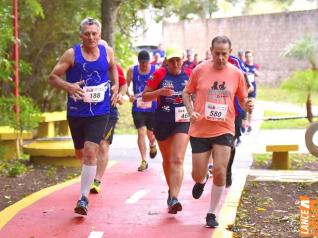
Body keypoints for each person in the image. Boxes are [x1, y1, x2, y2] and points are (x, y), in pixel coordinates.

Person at [48, 17, 119, 216]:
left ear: (99, 35)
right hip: (77, 112)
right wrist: (68, 86)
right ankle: (87, 176)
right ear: (81, 35)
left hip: (100, 111)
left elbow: (113, 66)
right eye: (87, 34)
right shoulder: (72, 54)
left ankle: (83, 198)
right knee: (81, 153)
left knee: (90, 151)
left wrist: (115, 84)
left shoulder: (107, 51)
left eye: (94, 33)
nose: (91, 37)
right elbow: (52, 77)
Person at [182, 35, 253, 227]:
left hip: (224, 128)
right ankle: (202, 178)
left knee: (221, 169)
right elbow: (186, 92)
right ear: (211, 51)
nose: (220, 58)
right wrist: (191, 111)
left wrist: (248, 106)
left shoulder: (237, 74)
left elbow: (242, 99)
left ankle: (212, 213)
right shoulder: (200, 70)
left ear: (229, 53)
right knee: (197, 173)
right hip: (200, 128)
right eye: (217, 53)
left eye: (224, 54)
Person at [142, 47, 191, 214]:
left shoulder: (190, 74)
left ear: (183, 60)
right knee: (168, 160)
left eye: (178, 60)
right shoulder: (159, 74)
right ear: (167, 62)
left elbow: (198, 94)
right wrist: (159, 92)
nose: (176, 63)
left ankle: (175, 197)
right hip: (162, 121)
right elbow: (145, 96)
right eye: (172, 60)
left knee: (177, 159)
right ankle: (171, 191)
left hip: (183, 121)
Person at [90, 63, 127, 193]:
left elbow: (123, 84)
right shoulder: (88, 64)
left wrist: (120, 95)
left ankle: (96, 181)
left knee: (103, 145)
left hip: (109, 112)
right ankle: (89, 173)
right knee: (89, 147)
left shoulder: (115, 67)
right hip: (90, 111)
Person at [126, 50, 158, 172]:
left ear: (149, 61)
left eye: (146, 62)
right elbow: (125, 86)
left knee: (150, 134)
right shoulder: (132, 70)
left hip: (152, 107)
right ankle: (144, 160)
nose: (144, 65)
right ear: (138, 62)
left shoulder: (155, 70)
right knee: (141, 132)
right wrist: (130, 95)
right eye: (141, 63)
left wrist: (156, 95)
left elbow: (161, 85)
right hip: (138, 106)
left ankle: (152, 144)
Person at [244, 49, 260, 133]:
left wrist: (254, 71)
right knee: (245, 107)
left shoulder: (255, 66)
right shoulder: (243, 65)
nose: (248, 58)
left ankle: (249, 125)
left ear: (252, 57)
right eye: (247, 56)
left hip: (253, 89)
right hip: (245, 88)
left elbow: (258, 74)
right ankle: (244, 124)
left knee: (251, 107)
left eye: (250, 56)